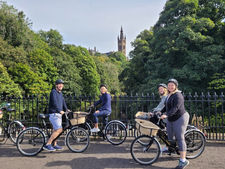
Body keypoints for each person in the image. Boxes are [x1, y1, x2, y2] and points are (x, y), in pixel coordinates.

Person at [160, 78, 190, 169]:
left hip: (180, 118)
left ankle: (183, 160)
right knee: (169, 136)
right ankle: (171, 148)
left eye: (172, 85)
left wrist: (166, 115)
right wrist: (160, 113)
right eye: (169, 85)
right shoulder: (169, 95)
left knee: (180, 138)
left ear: (175, 86)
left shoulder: (178, 95)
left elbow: (175, 108)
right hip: (171, 118)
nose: (170, 86)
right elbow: (166, 107)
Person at [43, 79, 69, 151]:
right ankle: (48, 144)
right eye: (59, 84)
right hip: (54, 113)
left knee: (55, 130)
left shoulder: (60, 93)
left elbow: (63, 102)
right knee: (59, 129)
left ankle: (54, 144)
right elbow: (54, 103)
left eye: (62, 84)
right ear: (56, 85)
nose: (61, 85)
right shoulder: (53, 92)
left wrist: (66, 109)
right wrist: (59, 110)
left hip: (58, 114)